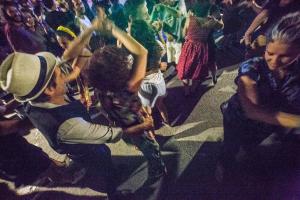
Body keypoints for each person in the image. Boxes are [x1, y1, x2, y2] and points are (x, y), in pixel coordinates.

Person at [0, 14, 153, 200]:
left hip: (78, 148)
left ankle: (112, 171)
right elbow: (113, 134)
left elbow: (68, 55)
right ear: (49, 88)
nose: (63, 71)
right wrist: (144, 126)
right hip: (88, 151)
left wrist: (91, 28)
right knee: (104, 162)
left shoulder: (33, 100)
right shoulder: (69, 126)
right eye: (58, 74)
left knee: (104, 159)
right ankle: (115, 193)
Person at [64, 8, 167, 184]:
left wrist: (91, 29)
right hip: (139, 126)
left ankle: (152, 159)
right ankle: (158, 169)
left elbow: (69, 55)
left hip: (121, 126)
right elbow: (142, 52)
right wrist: (113, 29)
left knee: (140, 144)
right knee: (151, 148)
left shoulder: (99, 89)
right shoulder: (129, 87)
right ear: (120, 70)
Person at [216, 11, 300, 182]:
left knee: (252, 146)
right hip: (238, 118)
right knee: (230, 148)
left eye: (285, 56)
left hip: (267, 126)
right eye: (270, 53)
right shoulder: (251, 67)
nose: (274, 61)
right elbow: (252, 110)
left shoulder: (295, 71)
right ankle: (223, 166)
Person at [176, 1, 223, 96]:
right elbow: (221, 26)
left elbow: (184, 32)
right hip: (202, 47)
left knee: (186, 67)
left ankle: (186, 91)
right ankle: (194, 88)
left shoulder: (190, 18)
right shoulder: (210, 21)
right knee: (198, 68)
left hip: (189, 46)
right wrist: (215, 19)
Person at [130, 20, 170, 127]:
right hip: (157, 79)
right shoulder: (156, 44)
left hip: (144, 84)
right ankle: (167, 121)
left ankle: (151, 129)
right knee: (160, 104)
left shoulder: (133, 50)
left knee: (147, 109)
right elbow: (163, 54)